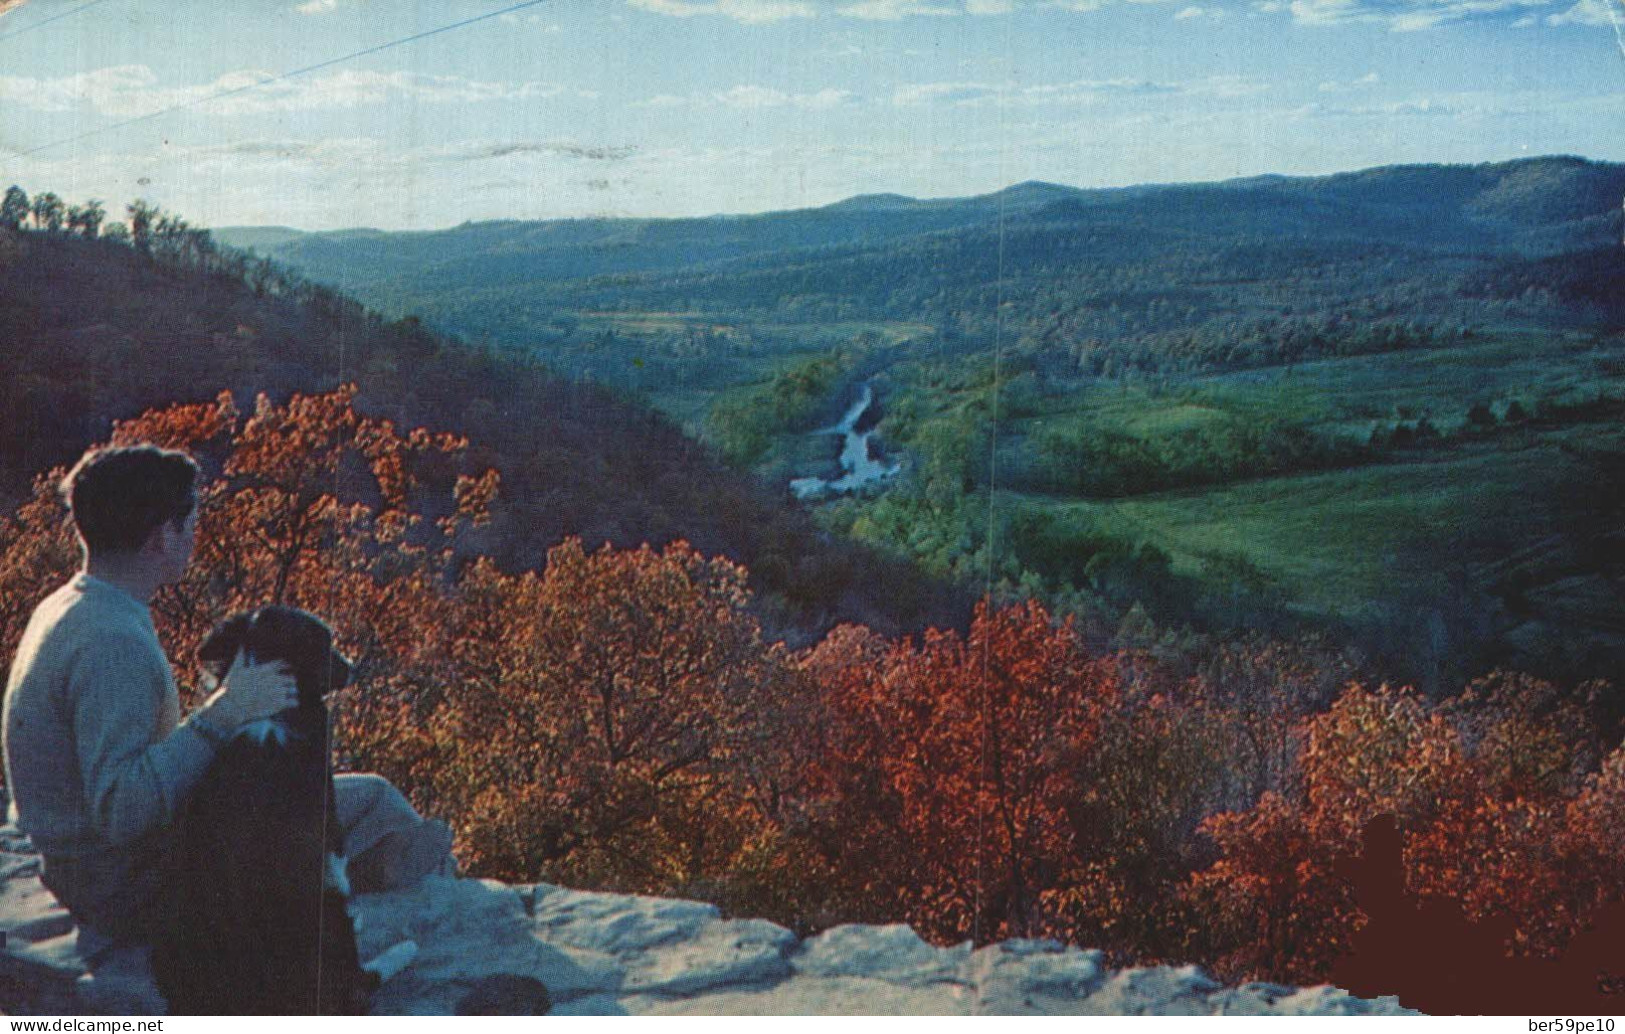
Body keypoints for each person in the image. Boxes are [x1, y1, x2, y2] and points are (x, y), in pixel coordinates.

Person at [2, 445, 453, 1013]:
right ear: (162, 535)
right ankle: (420, 904)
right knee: (363, 811)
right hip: (123, 885)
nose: (195, 533)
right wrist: (226, 713)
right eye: (189, 520)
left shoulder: (73, 605)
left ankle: (363, 874)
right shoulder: (111, 643)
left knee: (368, 799)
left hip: (81, 863)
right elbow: (120, 812)